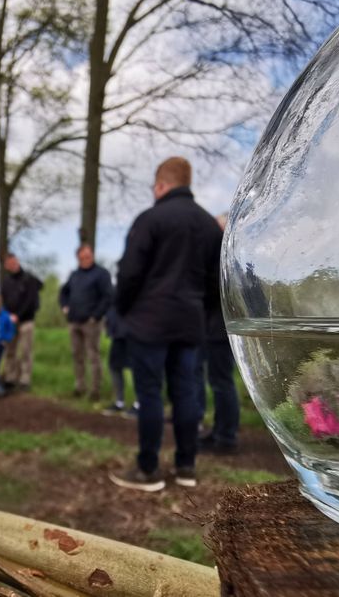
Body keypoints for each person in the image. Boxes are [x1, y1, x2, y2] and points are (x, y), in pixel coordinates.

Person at [109, 157, 223, 492]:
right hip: (190, 323)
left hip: (149, 321)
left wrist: (124, 310)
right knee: (186, 392)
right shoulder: (208, 226)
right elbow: (218, 282)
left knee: (150, 393)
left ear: (161, 185)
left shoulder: (150, 219)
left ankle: (148, 470)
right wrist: (201, 312)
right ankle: (186, 467)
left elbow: (129, 273)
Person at [198, 213, 239, 454]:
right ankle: (220, 431)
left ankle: (226, 436)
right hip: (216, 328)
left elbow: (215, 291)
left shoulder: (225, 261)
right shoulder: (227, 259)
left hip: (219, 330)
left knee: (222, 383)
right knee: (218, 382)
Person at [59, 244, 113, 400]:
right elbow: (64, 292)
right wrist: (65, 307)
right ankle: (80, 386)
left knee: (92, 355)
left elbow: (108, 296)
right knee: (77, 355)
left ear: (92, 255)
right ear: (78, 258)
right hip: (73, 321)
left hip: (91, 323)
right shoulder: (74, 275)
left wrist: (96, 316)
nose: (86, 259)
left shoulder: (101, 274)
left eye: (88, 256)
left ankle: (95, 390)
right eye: (82, 257)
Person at [0, 254, 43, 390]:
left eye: (14, 262)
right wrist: (7, 316)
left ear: (17, 261)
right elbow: (4, 301)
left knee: (25, 351)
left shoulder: (29, 279)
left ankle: (25, 379)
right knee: (10, 350)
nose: (12, 265)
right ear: (6, 266)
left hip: (26, 321)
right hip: (10, 321)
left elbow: (30, 300)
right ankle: (10, 377)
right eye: (9, 263)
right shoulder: (5, 282)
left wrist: (18, 315)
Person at [103, 306, 138, 417]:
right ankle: (119, 402)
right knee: (114, 366)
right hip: (118, 334)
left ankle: (140, 404)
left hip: (136, 334)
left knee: (138, 368)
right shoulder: (118, 290)